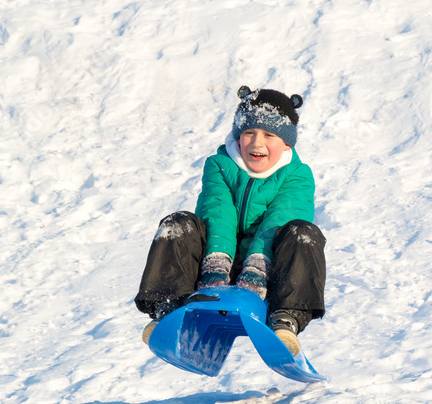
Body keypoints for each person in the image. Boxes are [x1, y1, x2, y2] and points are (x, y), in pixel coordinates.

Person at [134, 85, 326, 356]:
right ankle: (169, 310)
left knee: (301, 232)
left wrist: (258, 267)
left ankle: (286, 319)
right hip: (214, 267)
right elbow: (217, 211)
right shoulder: (219, 164)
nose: (257, 143)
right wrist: (215, 263)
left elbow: (280, 218)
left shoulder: (297, 175)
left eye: (269, 135)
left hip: (269, 273)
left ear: (286, 143)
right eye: (249, 133)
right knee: (178, 224)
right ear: (238, 137)